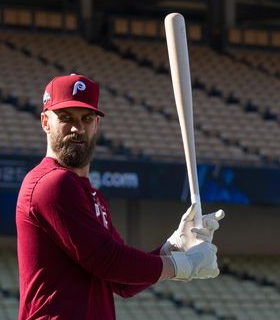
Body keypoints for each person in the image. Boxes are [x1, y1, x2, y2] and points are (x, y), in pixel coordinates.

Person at [16, 74, 225, 320]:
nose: (77, 128)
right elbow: (107, 260)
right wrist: (184, 266)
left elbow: (123, 283)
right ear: (45, 122)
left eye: (86, 118)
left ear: (97, 125)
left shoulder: (90, 194)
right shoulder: (52, 183)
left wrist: (174, 246)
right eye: (66, 118)